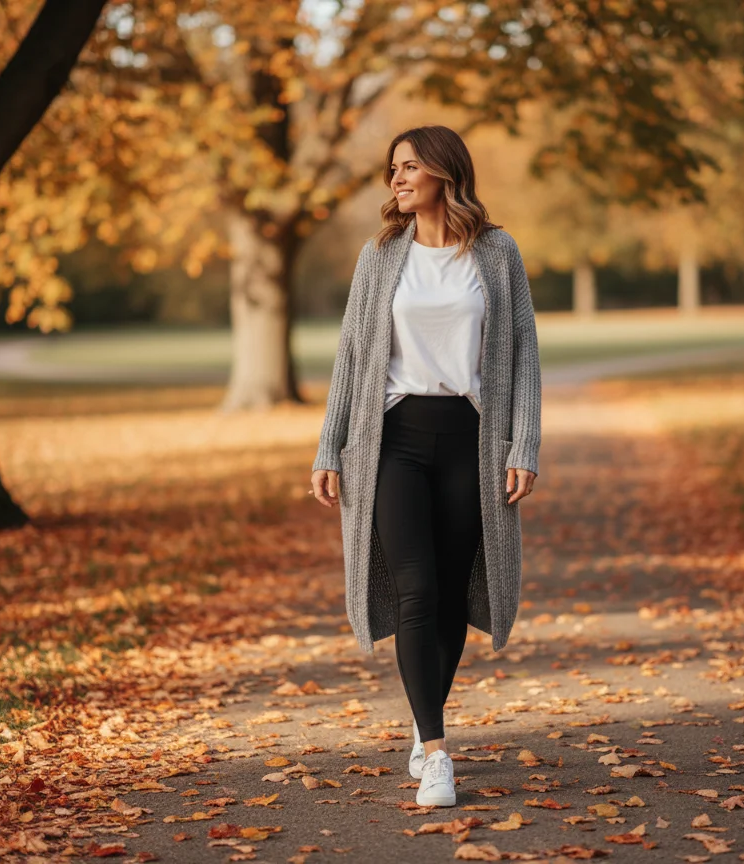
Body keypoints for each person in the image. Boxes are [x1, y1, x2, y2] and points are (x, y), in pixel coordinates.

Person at [309, 125, 541, 808]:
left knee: (448, 594)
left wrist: (523, 444)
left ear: (444, 171)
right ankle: (436, 752)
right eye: (393, 169)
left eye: (409, 166)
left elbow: (524, 350)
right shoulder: (381, 255)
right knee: (414, 587)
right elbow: (352, 356)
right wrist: (329, 446)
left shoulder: (497, 253)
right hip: (394, 441)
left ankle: (424, 715)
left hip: (472, 439)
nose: (397, 179)